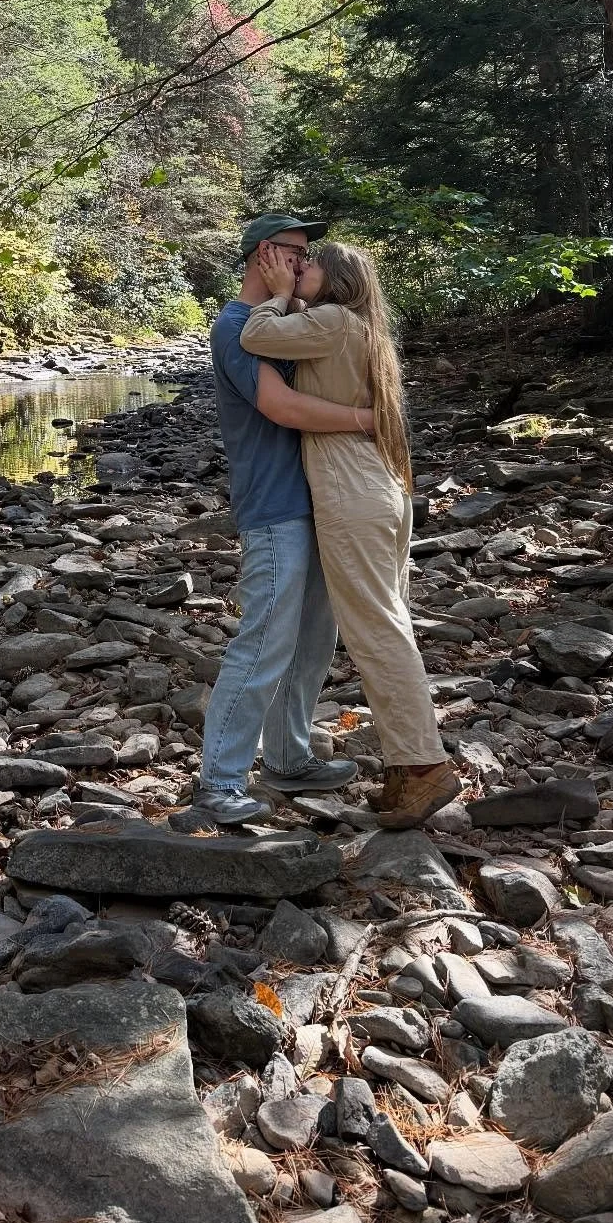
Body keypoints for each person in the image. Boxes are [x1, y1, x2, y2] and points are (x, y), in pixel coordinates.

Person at [239, 236, 461, 830]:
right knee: (388, 620)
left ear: (333, 277)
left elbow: (255, 337)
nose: (294, 268)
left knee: (375, 628)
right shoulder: (362, 327)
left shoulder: (333, 320)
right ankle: (404, 763)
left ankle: (422, 766)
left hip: (351, 488)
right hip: (383, 483)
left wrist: (277, 297)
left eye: (304, 265)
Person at [193, 212, 374, 826]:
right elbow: (280, 405)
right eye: (298, 252)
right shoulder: (237, 325)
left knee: (315, 638)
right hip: (274, 505)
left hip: (325, 500)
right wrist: (367, 422)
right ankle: (219, 781)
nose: (306, 263)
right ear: (265, 254)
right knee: (265, 640)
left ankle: (290, 759)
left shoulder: (294, 321)